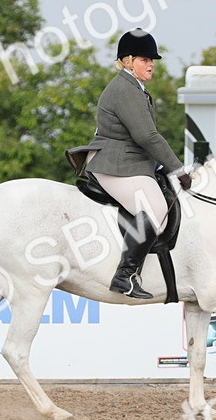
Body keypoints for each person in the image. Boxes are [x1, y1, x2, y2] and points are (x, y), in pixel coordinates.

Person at [71, 28, 191, 299]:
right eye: (144, 60)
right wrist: (177, 168)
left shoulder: (135, 87)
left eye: (152, 60)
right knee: (155, 207)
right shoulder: (125, 90)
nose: (150, 64)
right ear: (127, 61)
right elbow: (146, 136)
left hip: (127, 161)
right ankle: (124, 275)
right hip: (113, 164)